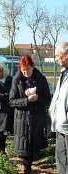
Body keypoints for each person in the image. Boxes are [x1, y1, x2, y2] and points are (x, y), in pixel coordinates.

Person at [9, 55, 51, 174]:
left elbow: (47, 99)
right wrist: (26, 100)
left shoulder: (41, 79)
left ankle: (30, 162)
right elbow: (11, 101)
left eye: (27, 69)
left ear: (32, 66)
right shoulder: (17, 80)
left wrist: (37, 98)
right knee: (25, 148)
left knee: (34, 146)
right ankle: (27, 168)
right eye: (23, 70)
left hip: (37, 118)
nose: (25, 72)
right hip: (22, 119)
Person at [49, 42, 68, 174]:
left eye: (57, 55)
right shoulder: (63, 73)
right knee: (60, 158)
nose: (55, 58)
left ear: (66, 55)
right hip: (60, 126)